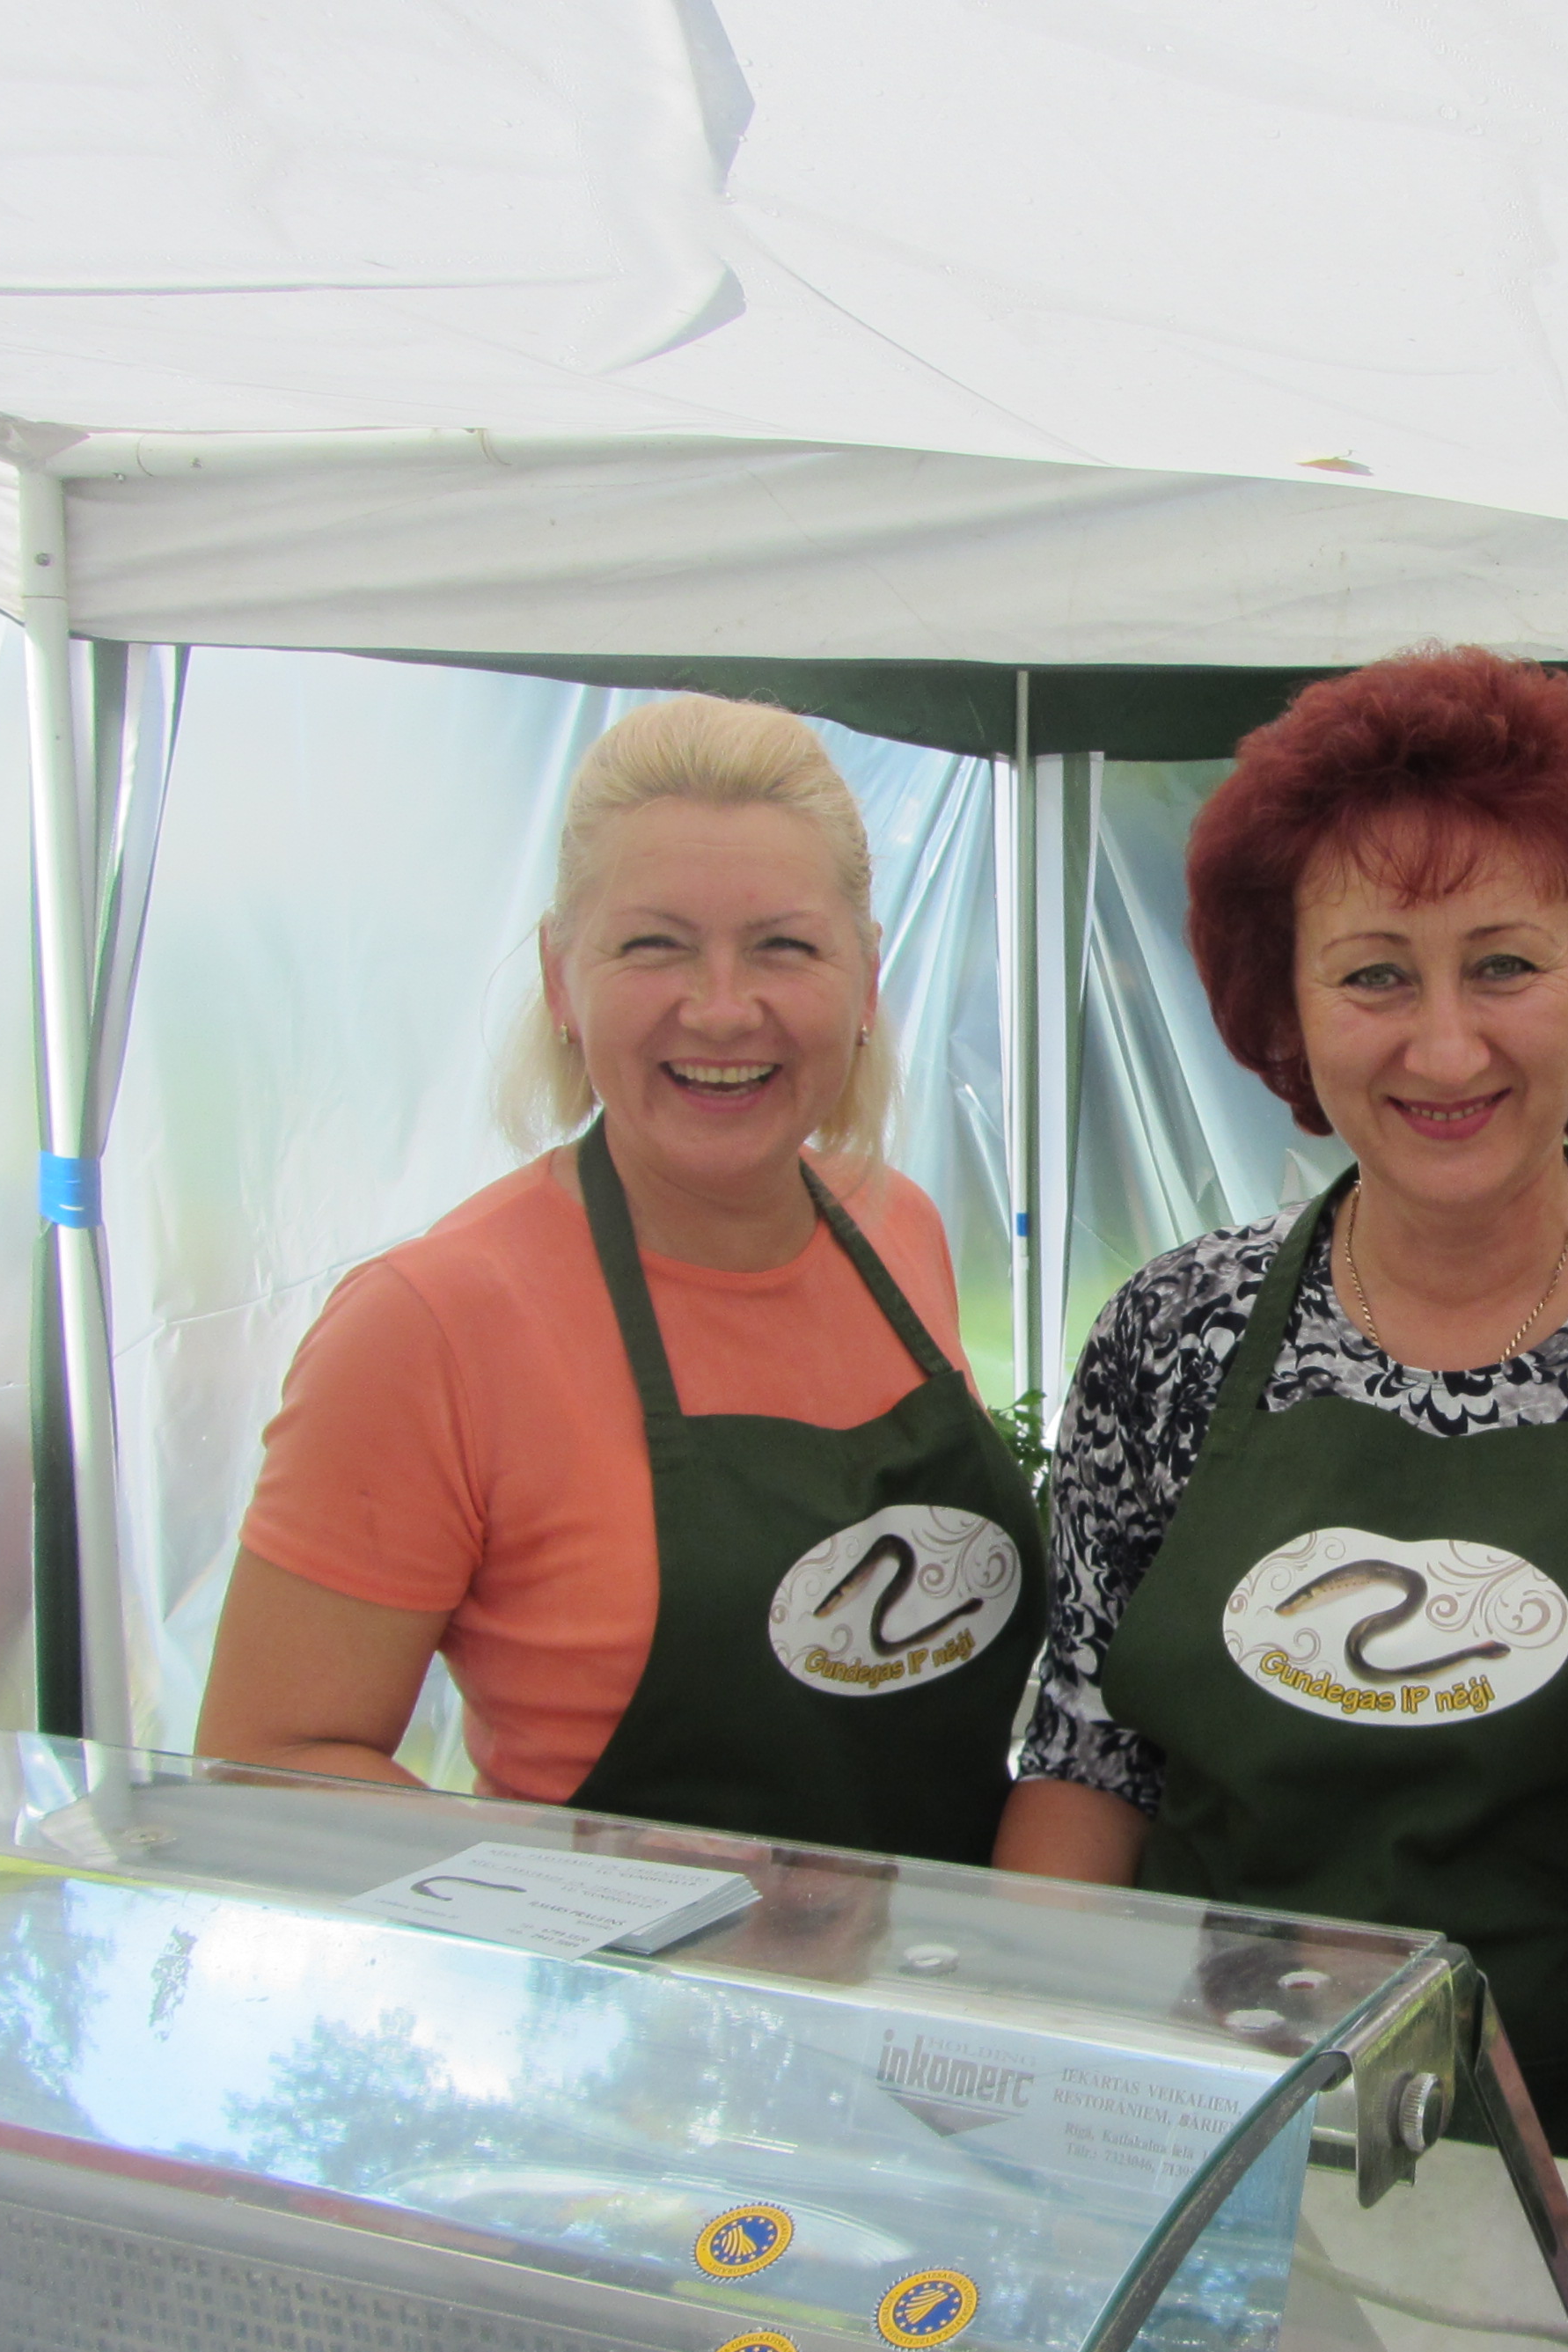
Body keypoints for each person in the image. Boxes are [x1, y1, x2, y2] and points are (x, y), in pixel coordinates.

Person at [994, 646, 1568, 2158]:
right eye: (1375, 973)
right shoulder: (1172, 1335)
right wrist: (1027, 2126)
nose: (1445, 1047)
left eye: (1505, 965)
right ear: (1287, 1010)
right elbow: (1091, 1756)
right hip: (1202, 2162)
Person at [197, 696, 1041, 1859]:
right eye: (655, 946)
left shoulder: (899, 1227)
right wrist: (584, 1886)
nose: (723, 1008)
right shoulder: (431, 1326)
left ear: (865, 981)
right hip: (616, 1976)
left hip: (945, 1968)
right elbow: (263, 1770)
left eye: (785, 948)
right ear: (560, 977)